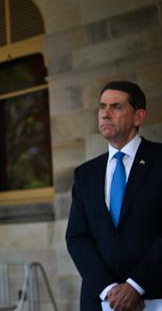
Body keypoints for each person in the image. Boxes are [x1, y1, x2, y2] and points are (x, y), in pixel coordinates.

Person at [66, 81, 162, 311]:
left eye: (116, 107)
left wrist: (135, 285)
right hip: (100, 301)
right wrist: (108, 289)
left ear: (138, 117)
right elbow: (77, 237)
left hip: (155, 296)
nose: (105, 114)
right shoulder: (85, 174)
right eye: (101, 107)